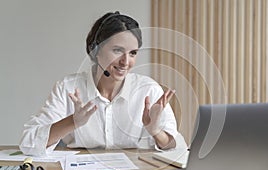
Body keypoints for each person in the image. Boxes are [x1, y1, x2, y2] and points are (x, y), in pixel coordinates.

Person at [19, 11, 187, 156]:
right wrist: (73, 122)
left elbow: (178, 150)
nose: (125, 62)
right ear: (95, 51)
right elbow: (28, 142)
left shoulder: (148, 90)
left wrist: (156, 131)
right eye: (118, 50)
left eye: (133, 53)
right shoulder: (68, 88)